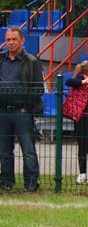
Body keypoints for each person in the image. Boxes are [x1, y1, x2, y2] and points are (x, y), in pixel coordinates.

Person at [0, 27, 44, 191]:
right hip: (2, 111)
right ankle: (6, 182)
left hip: (22, 112)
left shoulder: (31, 61)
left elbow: (38, 88)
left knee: (28, 150)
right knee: (4, 151)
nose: (11, 42)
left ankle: (31, 184)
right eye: (8, 39)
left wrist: (27, 107)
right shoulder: (1, 60)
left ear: (22, 41)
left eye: (14, 39)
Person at [65, 60, 88, 185]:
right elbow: (69, 82)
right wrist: (83, 82)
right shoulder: (80, 80)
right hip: (81, 120)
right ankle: (82, 173)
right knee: (82, 146)